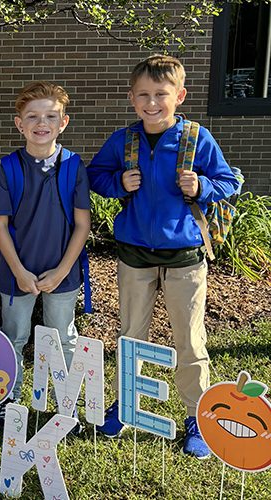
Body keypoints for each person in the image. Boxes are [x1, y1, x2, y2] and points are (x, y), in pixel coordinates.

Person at [88, 55, 240, 458]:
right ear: (131, 98)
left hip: (185, 257)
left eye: (161, 94)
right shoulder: (124, 140)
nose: (152, 102)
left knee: (189, 340)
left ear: (180, 96)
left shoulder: (196, 137)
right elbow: (95, 175)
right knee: (130, 336)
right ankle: (126, 404)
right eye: (143, 95)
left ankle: (199, 417)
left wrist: (202, 187)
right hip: (134, 255)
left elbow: (231, 180)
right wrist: (118, 182)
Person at [0, 82, 91, 418]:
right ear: (20, 124)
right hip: (17, 273)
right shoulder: (9, 167)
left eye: (50, 115)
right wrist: (18, 271)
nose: (41, 122)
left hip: (62, 273)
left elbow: (82, 225)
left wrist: (61, 271)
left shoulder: (74, 167)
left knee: (63, 338)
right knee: (13, 336)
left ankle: (67, 401)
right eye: (32, 116)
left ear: (63, 122)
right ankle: (8, 398)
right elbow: (0, 225)